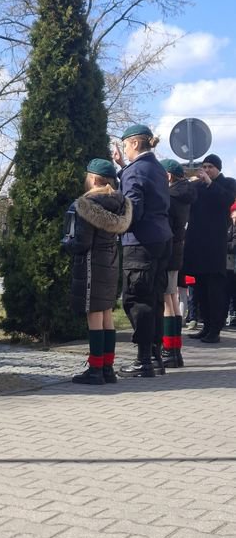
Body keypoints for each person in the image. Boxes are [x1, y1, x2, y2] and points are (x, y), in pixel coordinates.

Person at [64, 158, 132, 385]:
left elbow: (82, 243)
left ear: (93, 178)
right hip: (111, 262)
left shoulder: (86, 205)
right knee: (106, 314)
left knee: (94, 315)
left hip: (92, 264)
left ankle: (95, 370)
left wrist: (66, 243)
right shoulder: (119, 203)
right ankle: (107, 368)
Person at [113, 124, 172, 378]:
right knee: (155, 299)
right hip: (162, 237)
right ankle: (155, 357)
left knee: (137, 300)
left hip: (141, 242)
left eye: (125, 145)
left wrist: (117, 225)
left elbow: (133, 207)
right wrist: (121, 170)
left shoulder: (135, 170)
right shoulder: (157, 168)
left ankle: (143, 360)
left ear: (135, 143)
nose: (124, 150)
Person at [183, 154, 236, 343]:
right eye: (204, 167)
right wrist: (187, 181)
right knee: (201, 290)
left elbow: (226, 200)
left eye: (210, 167)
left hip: (215, 247)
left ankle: (215, 329)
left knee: (216, 291)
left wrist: (210, 184)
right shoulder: (197, 185)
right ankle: (205, 326)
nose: (206, 170)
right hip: (198, 246)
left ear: (218, 169)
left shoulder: (227, 183)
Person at [159, 159, 197, 368]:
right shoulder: (184, 194)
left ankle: (168, 350)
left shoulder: (170, 196)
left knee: (167, 300)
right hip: (177, 251)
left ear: (168, 176)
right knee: (172, 298)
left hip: (168, 251)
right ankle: (175, 350)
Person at [225, 202, 236, 326]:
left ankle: (233, 314)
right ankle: (232, 314)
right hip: (230, 264)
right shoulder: (229, 227)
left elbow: (233, 245)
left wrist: (223, 245)